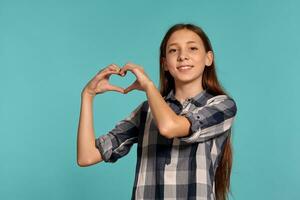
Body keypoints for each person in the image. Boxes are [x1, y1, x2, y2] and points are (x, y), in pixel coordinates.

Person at [77, 23, 238, 200]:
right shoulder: (147, 111)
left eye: (192, 48)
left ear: (208, 58)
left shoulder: (223, 105)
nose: (183, 56)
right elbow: (86, 156)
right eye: (173, 51)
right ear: (164, 64)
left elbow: (169, 127)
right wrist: (88, 95)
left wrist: (148, 86)